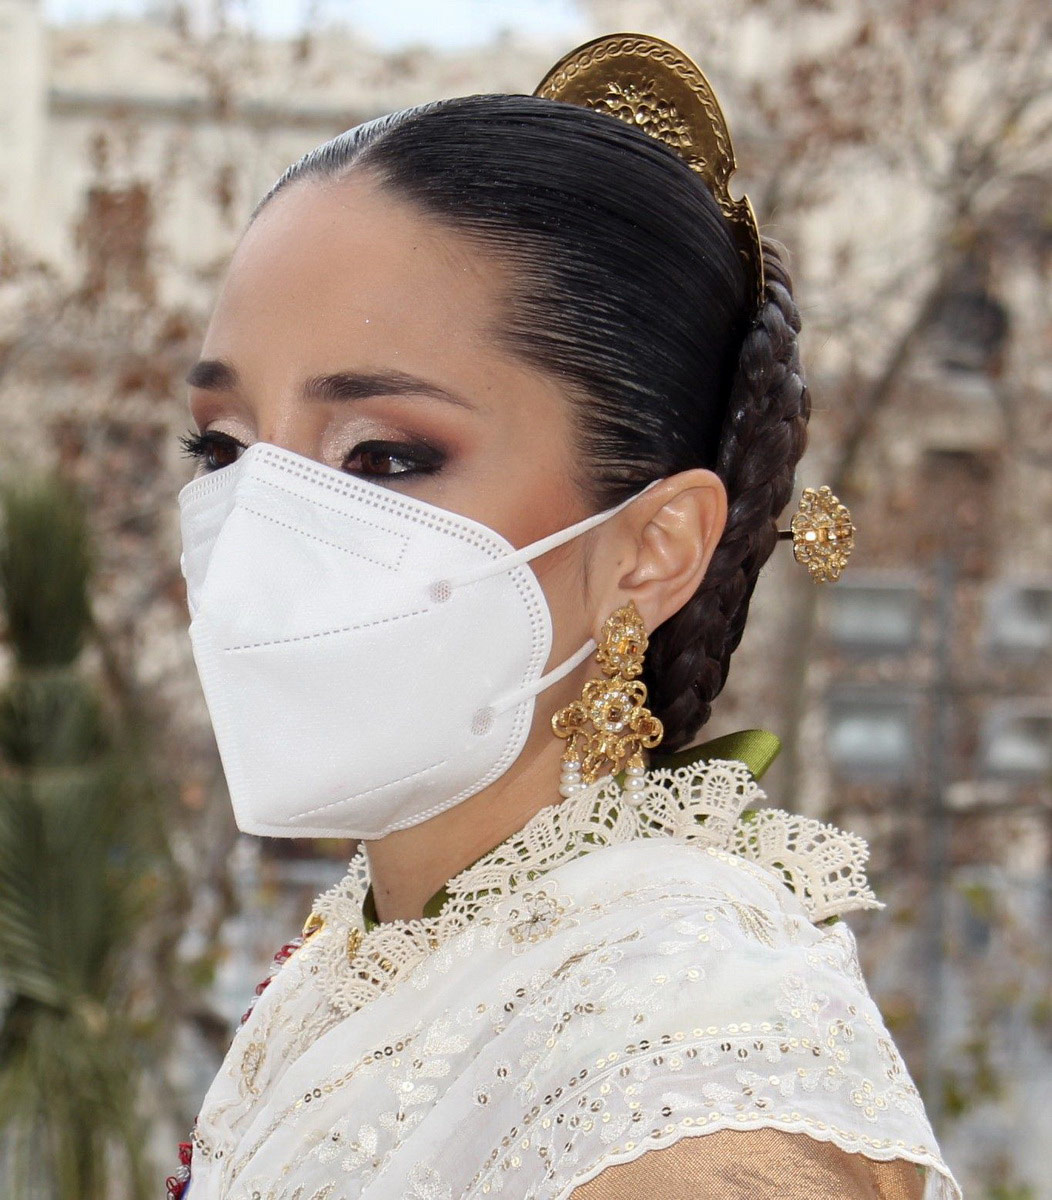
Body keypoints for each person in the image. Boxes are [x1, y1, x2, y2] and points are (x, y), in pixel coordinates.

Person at [169, 33, 959, 1200]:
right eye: (223, 449)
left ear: (651, 548)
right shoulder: (371, 954)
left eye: (383, 455)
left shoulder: (686, 1075)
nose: (256, 538)